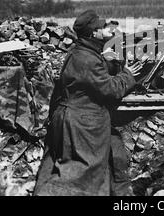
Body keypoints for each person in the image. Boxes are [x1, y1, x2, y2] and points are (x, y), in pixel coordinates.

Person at [33, 10, 142, 196]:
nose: (107, 29)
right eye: (102, 28)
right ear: (94, 33)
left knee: (61, 165)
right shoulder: (88, 59)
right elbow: (111, 90)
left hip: (68, 117)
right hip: (82, 123)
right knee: (79, 172)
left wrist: (112, 61)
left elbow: (91, 75)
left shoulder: (80, 51)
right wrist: (128, 75)